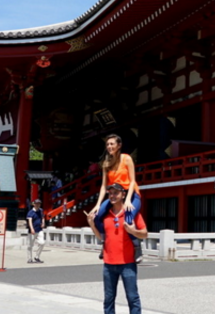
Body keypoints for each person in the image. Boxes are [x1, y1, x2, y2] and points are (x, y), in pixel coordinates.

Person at [88, 183, 148, 314]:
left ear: (123, 195)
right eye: (110, 193)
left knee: (132, 298)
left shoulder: (131, 214)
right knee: (108, 299)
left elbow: (145, 233)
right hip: (108, 264)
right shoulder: (105, 216)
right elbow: (102, 237)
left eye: (116, 193)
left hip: (128, 263)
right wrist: (92, 225)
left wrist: (133, 231)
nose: (112, 196)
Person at [88, 134, 143, 262]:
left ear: (119, 145)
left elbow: (132, 181)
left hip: (131, 194)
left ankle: (137, 247)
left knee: (128, 219)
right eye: (107, 144)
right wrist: (97, 204)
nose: (109, 146)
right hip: (114, 195)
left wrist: (128, 200)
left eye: (112, 144)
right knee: (97, 216)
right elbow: (103, 186)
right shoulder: (106, 163)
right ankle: (104, 243)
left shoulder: (126, 159)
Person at [26, 198, 46, 264]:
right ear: (33, 204)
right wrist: (31, 229)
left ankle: (37, 257)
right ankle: (29, 258)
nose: (38, 205)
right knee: (30, 245)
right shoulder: (30, 212)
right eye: (36, 203)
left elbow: (43, 217)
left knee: (42, 242)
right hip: (32, 230)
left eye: (39, 203)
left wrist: (43, 223)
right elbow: (30, 221)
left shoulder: (41, 210)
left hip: (39, 229)